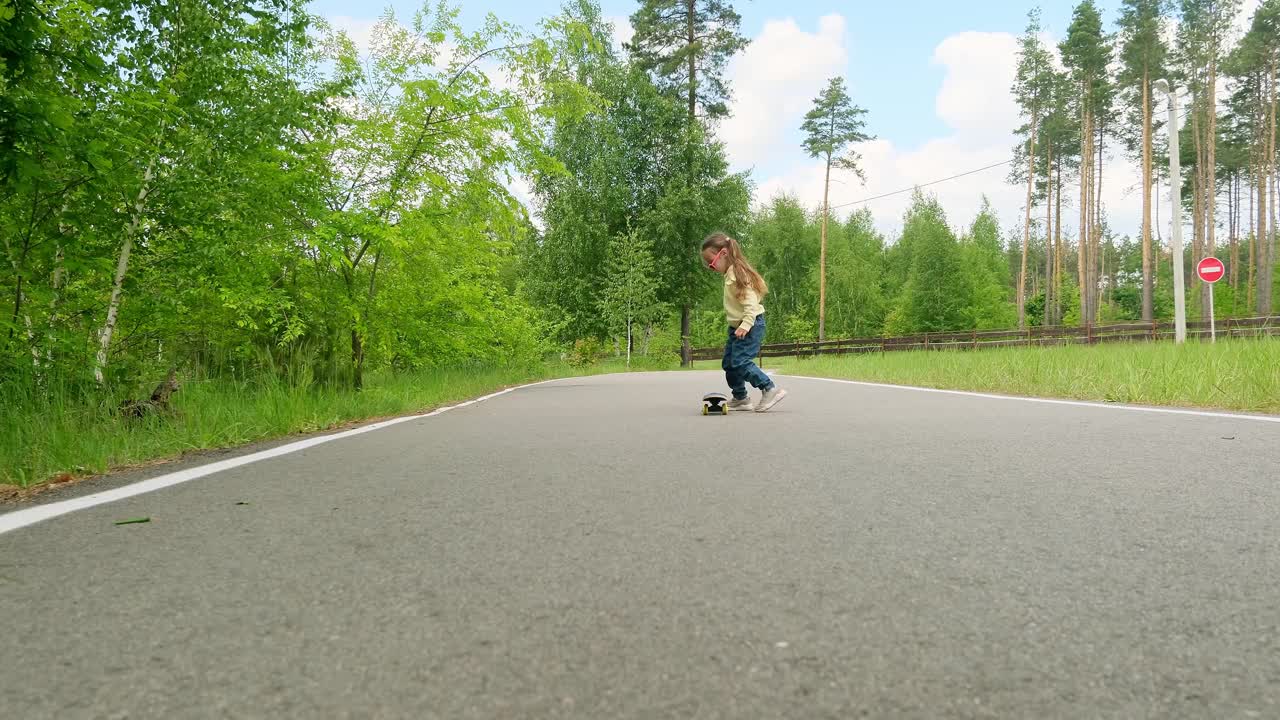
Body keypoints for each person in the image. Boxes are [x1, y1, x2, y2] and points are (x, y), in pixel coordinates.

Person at [701, 232, 787, 412]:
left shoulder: (738, 274)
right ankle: (741, 398)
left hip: (750, 325)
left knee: (740, 361)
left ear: (723, 253)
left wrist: (746, 324)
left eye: (711, 262)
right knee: (729, 363)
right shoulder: (731, 273)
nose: (711, 267)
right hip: (737, 327)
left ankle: (769, 388)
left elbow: (751, 303)